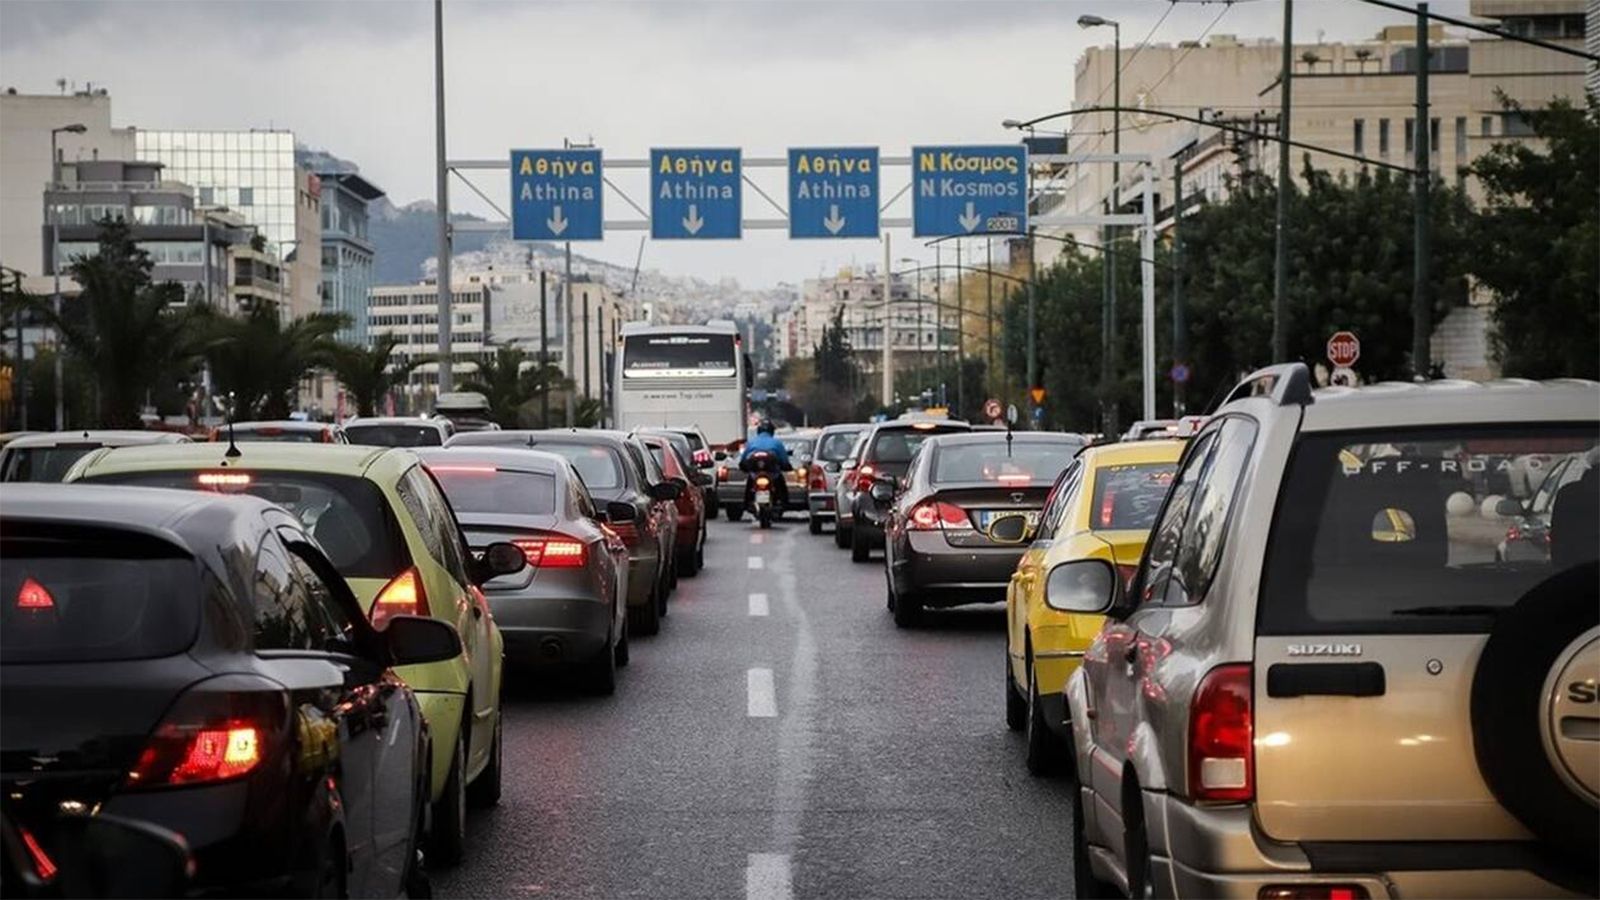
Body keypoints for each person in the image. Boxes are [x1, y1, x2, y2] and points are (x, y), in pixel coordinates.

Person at [740, 420, 792, 508]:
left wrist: (743, 466)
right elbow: (784, 460)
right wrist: (787, 466)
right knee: (780, 482)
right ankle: (784, 502)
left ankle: (747, 502)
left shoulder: (752, 442)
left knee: (750, 480)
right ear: (772, 431)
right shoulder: (776, 443)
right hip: (771, 473)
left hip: (759, 473)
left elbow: (743, 459)